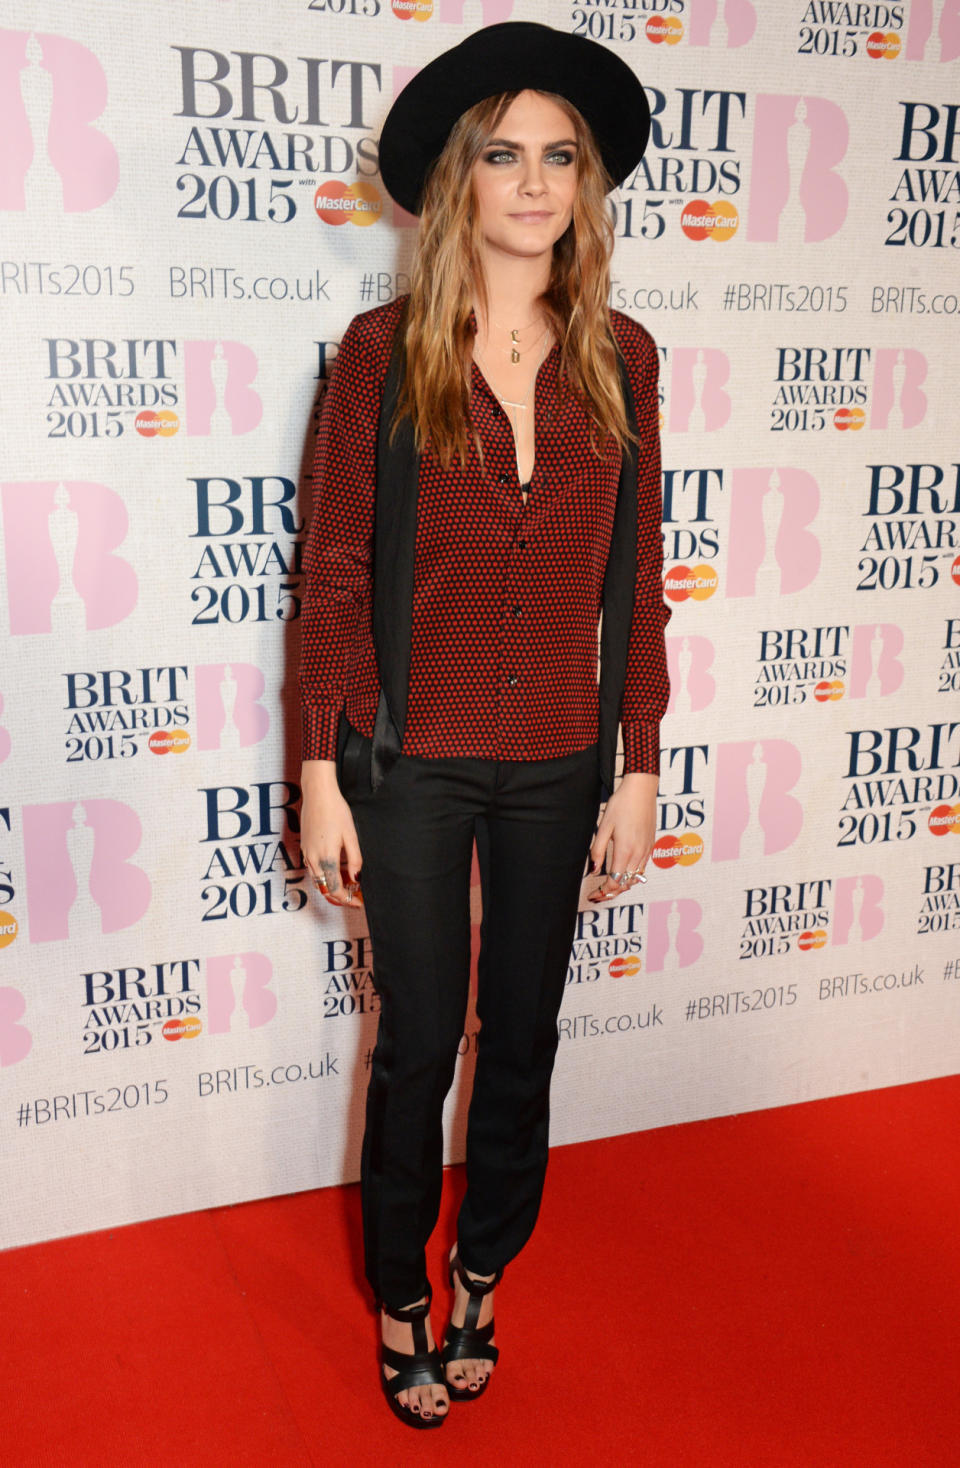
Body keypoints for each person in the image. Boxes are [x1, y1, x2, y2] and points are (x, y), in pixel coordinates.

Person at [299, 21, 670, 1429]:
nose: (532, 181)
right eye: (504, 154)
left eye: (558, 156)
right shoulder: (383, 350)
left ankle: (483, 1275)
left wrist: (637, 763)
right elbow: (332, 573)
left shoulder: (622, 353)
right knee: (415, 1049)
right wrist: (323, 772)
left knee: (523, 1037)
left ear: (587, 183)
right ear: (460, 180)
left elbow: (634, 579)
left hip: (558, 762)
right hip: (408, 760)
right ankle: (398, 1287)